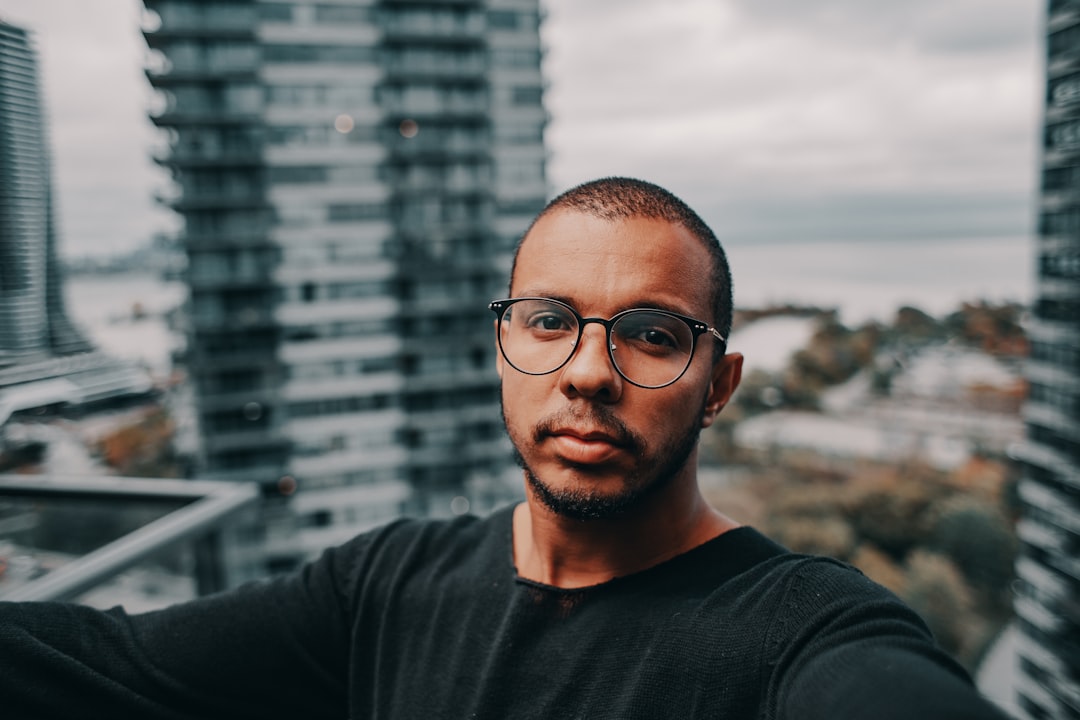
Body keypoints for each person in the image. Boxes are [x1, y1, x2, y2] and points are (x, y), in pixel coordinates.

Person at [1, 177, 1008, 719]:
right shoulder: (387, 586)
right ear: (502, 345)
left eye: (652, 335)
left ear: (720, 388)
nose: (587, 372)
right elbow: (109, 666)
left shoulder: (804, 632)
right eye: (548, 320)